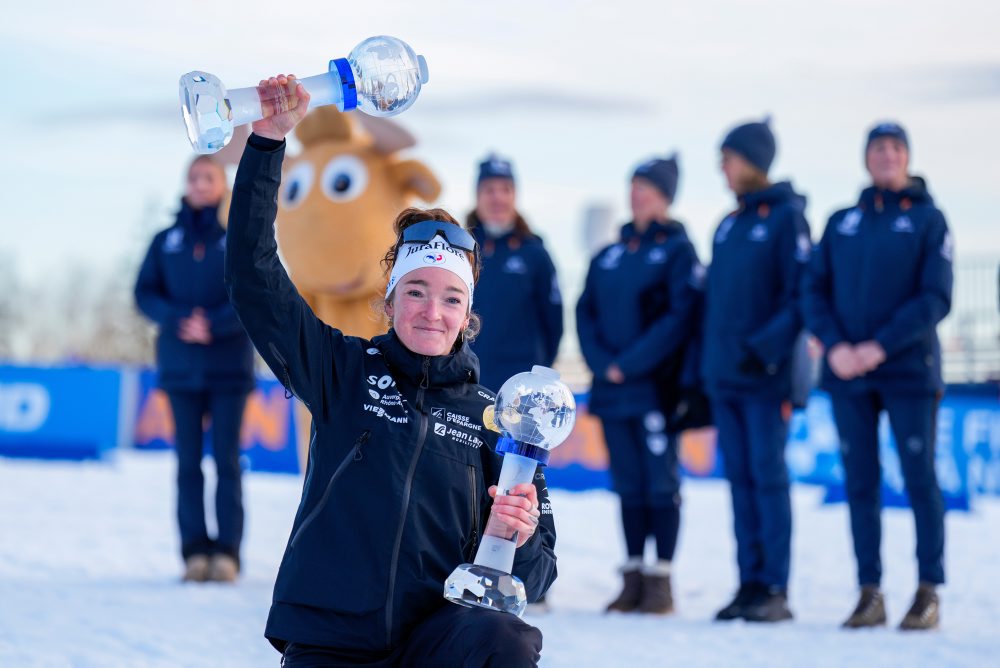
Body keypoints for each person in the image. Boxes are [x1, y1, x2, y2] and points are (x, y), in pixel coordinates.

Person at [224, 75, 556, 666]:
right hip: (332, 643)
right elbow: (254, 278)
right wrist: (268, 145)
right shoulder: (342, 369)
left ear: (468, 314)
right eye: (417, 291)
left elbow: (537, 574)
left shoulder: (494, 419)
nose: (432, 311)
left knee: (505, 641)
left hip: (431, 644)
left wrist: (520, 535)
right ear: (391, 299)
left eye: (451, 298)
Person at [802, 121, 952, 631]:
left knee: (919, 480)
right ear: (866, 159)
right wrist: (838, 347)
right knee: (861, 483)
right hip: (849, 376)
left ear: (907, 157)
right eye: (878, 148)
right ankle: (871, 592)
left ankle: (928, 590)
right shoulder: (843, 221)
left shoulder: (930, 220)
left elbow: (935, 297)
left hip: (909, 372)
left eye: (895, 147)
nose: (887, 155)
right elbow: (813, 289)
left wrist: (877, 347)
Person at [577, 155, 702, 614]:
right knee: (627, 484)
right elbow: (584, 310)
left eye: (646, 188)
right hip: (612, 390)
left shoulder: (677, 251)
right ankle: (631, 576)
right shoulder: (610, 254)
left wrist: (629, 363)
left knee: (659, 484)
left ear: (666, 197)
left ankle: (660, 580)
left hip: (656, 388)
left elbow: (679, 318)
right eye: (633, 187)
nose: (636, 196)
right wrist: (601, 362)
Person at [702, 118, 811, 623]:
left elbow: (800, 297)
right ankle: (748, 583)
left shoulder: (788, 218)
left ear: (754, 160)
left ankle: (775, 587)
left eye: (730, 157)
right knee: (740, 482)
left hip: (765, 379)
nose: (723, 167)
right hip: (726, 379)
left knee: (769, 480)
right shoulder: (729, 223)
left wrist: (761, 349)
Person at [135, 154, 256, 583]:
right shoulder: (165, 240)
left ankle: (227, 553)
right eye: (194, 177)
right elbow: (144, 293)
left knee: (226, 462)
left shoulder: (240, 238)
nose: (200, 184)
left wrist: (216, 324)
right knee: (187, 463)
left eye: (209, 177)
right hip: (180, 369)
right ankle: (193, 553)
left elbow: (252, 292)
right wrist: (177, 318)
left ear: (222, 185)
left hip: (228, 370)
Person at [466, 154, 563, 393]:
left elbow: (554, 324)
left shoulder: (535, 253)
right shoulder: (461, 250)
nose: (498, 197)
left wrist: (536, 375)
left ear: (514, 195)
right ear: (478, 196)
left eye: (505, 189)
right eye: (489, 190)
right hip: (467, 383)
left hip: (519, 389)